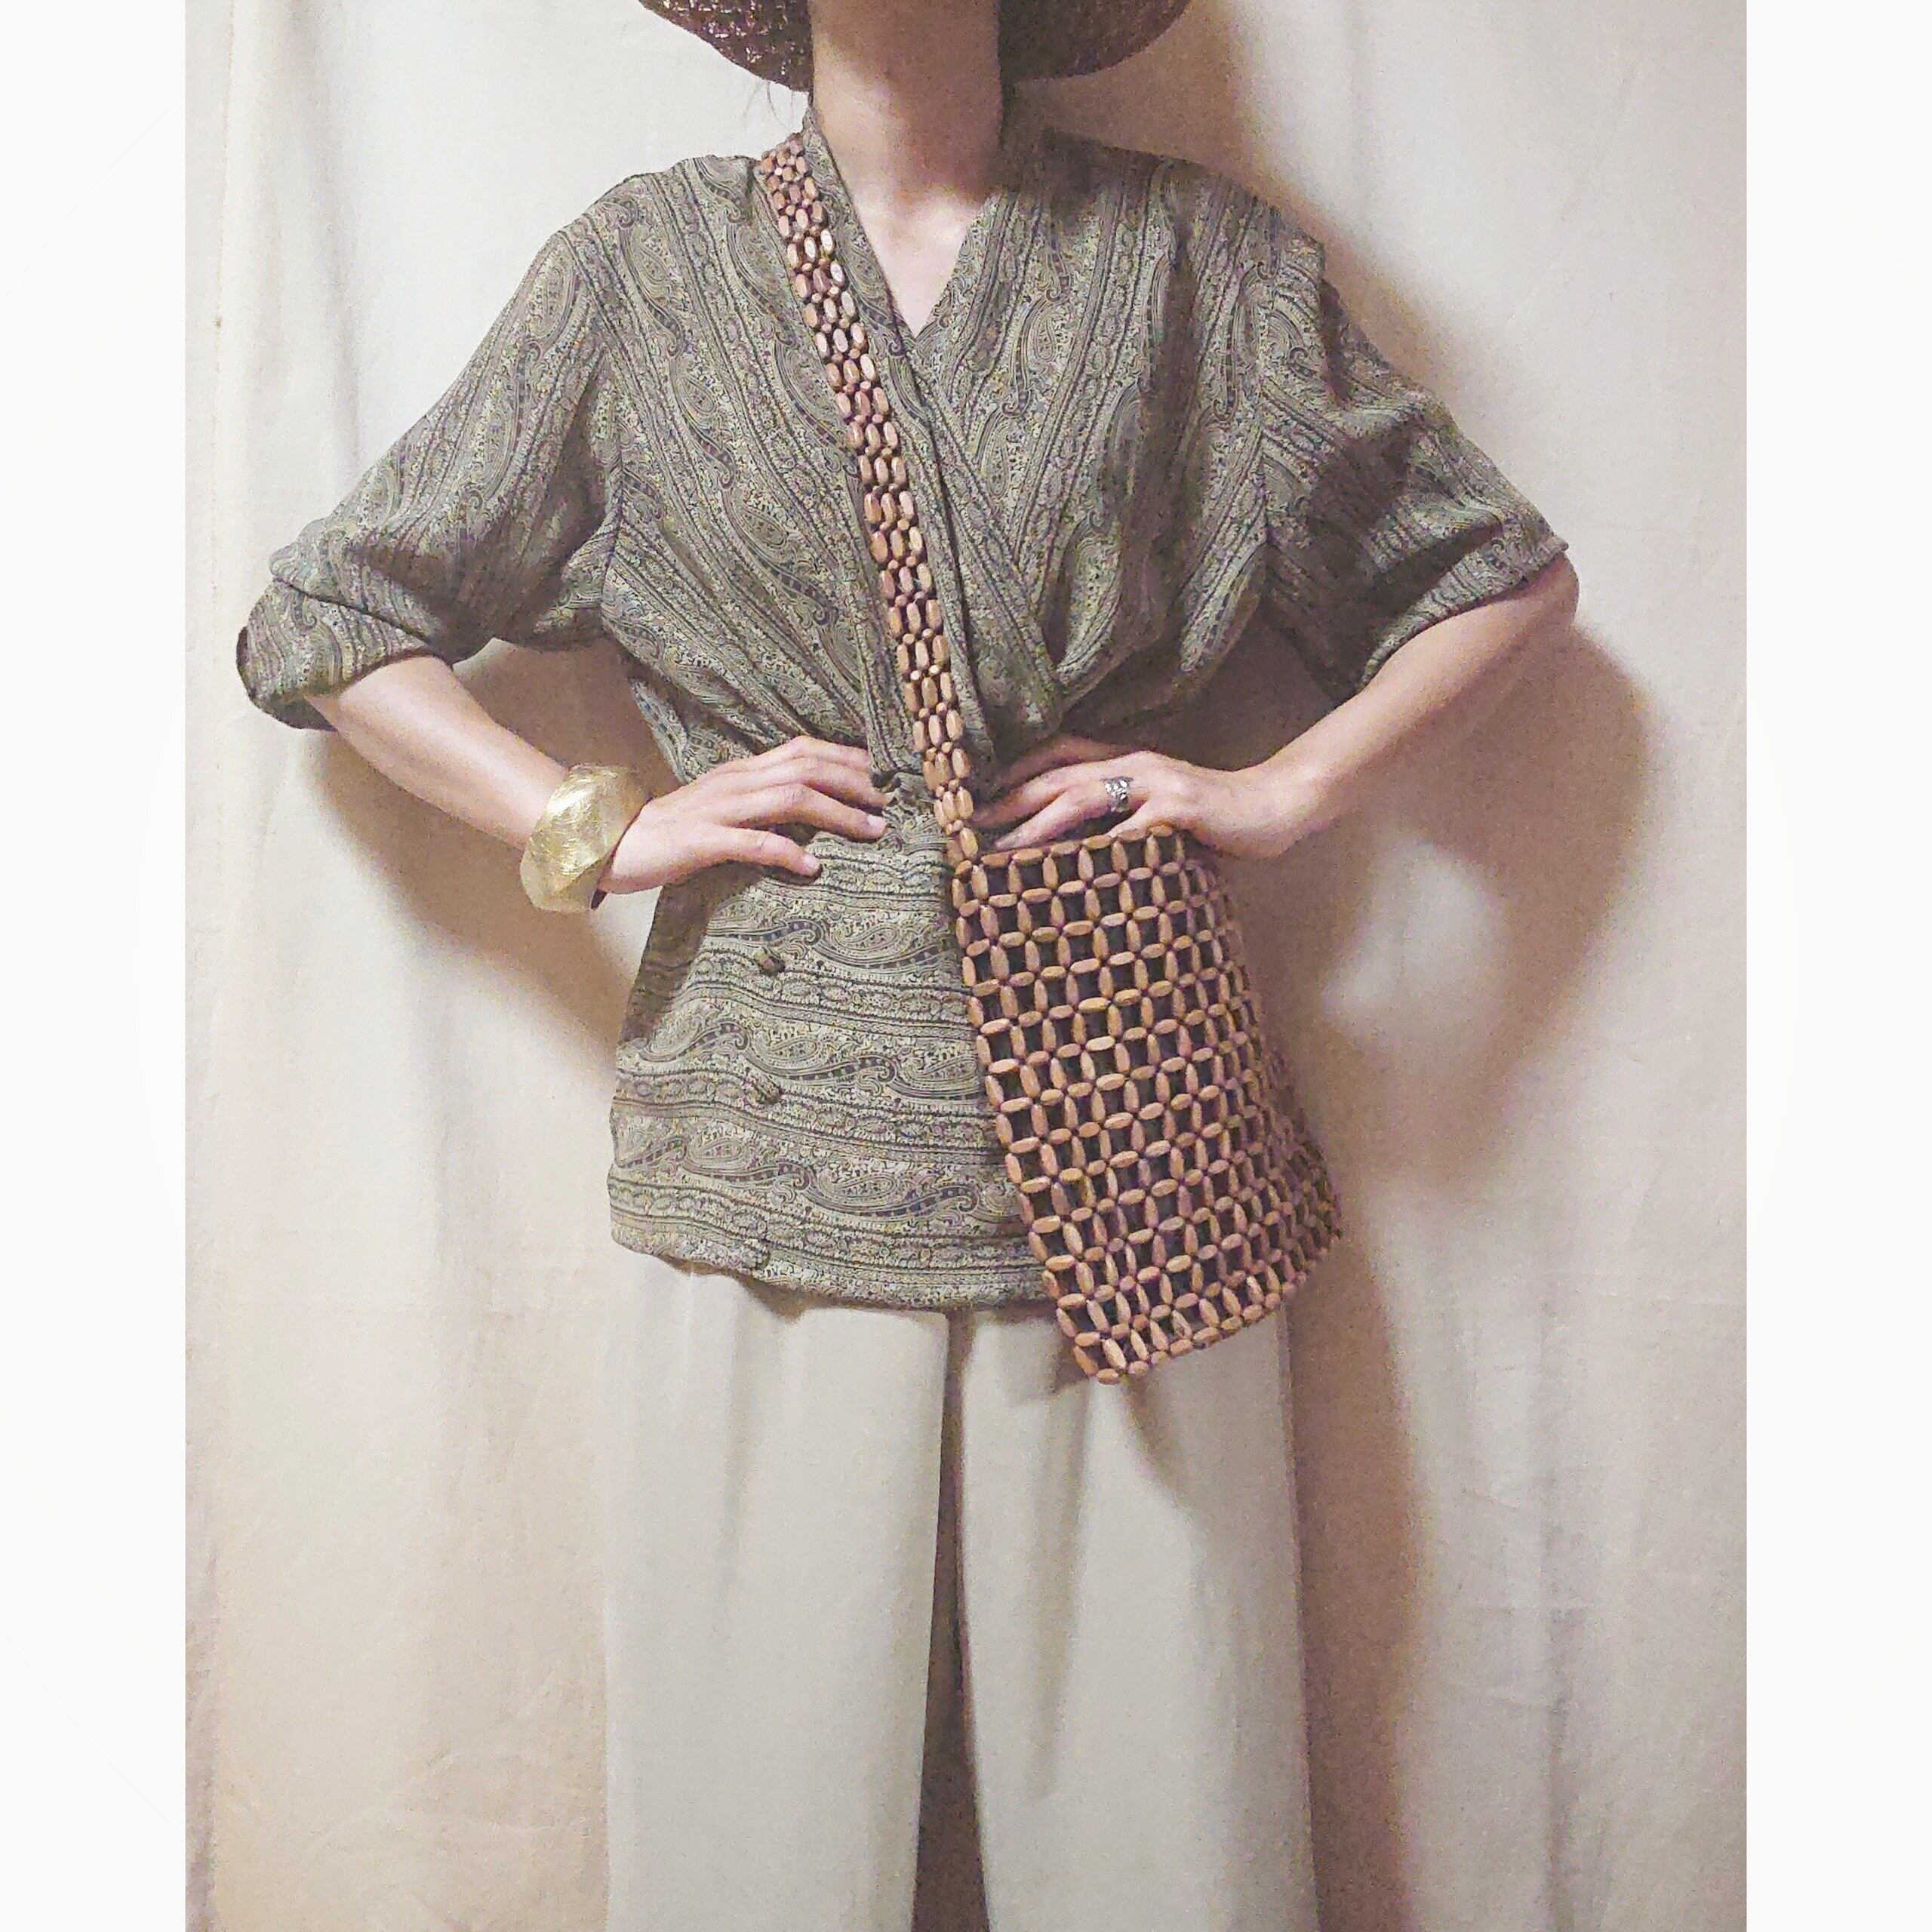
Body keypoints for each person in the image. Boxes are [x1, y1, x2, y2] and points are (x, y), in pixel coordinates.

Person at [234, 2, 1578, 1925]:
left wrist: (1278, 793)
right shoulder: (644, 270)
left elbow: (1496, 575)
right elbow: (328, 612)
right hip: (770, 1133)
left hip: (1131, 1119)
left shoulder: (1194, 266)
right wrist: (594, 824)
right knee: (753, 1828)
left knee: (1164, 1823)